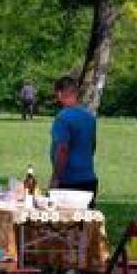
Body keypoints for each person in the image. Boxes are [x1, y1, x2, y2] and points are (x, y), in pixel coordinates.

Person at [49, 75, 98, 207]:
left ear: (59, 94)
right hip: (89, 178)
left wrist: (56, 178)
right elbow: (92, 146)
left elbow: (63, 149)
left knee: (66, 225)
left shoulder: (62, 118)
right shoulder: (90, 117)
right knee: (86, 224)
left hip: (69, 181)